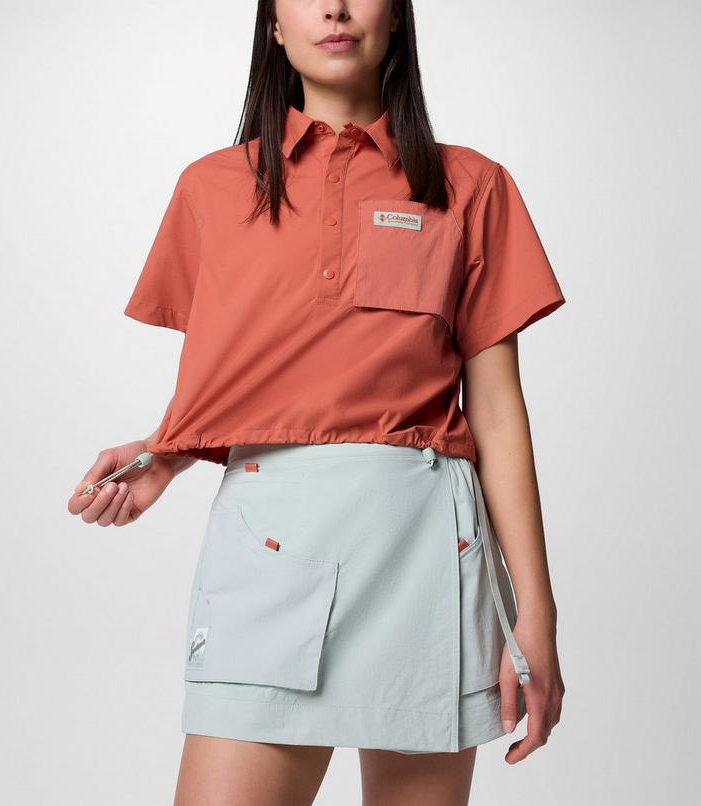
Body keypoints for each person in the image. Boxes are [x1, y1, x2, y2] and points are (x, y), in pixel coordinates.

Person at [67, 1, 566, 803]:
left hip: (423, 551)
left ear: (397, 17)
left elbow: (498, 411)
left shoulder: (471, 185)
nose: (334, 7)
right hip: (268, 543)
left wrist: (535, 613)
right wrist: (169, 450)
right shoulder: (211, 188)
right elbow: (255, 365)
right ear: (272, 24)